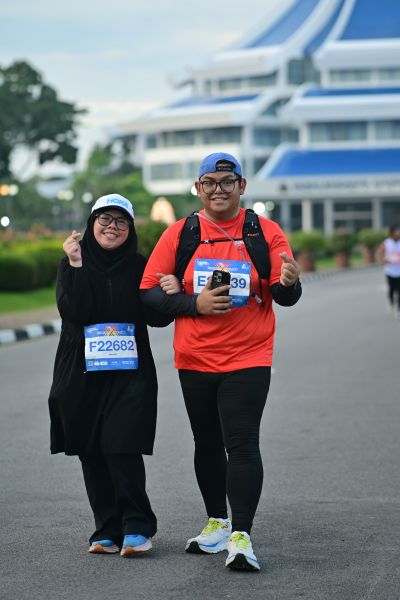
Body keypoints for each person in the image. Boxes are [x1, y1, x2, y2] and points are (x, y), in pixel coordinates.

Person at [140, 152, 302, 571]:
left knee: (242, 442)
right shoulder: (182, 233)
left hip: (249, 355)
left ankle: (241, 535)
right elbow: (147, 293)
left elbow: (284, 293)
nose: (218, 190)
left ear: (241, 186)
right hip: (194, 357)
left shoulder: (263, 232)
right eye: (209, 182)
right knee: (207, 442)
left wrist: (289, 283)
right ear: (198, 188)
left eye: (227, 182)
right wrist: (193, 303)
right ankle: (216, 522)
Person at [48, 193, 175, 557]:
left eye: (121, 221)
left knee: (123, 445)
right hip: (81, 371)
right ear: (92, 224)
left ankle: (137, 526)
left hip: (129, 375)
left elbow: (156, 316)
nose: (112, 227)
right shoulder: (71, 263)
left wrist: (170, 291)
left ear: (130, 229)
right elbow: (75, 310)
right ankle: (106, 528)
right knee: (91, 450)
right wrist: (76, 264)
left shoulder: (139, 265)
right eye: (105, 219)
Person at [378, 225, 400, 319]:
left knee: (399, 291)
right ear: (392, 233)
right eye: (396, 231)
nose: (398, 233)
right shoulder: (386, 243)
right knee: (392, 289)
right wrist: (383, 260)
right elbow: (381, 253)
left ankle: (398, 310)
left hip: (399, 271)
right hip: (390, 271)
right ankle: (391, 301)